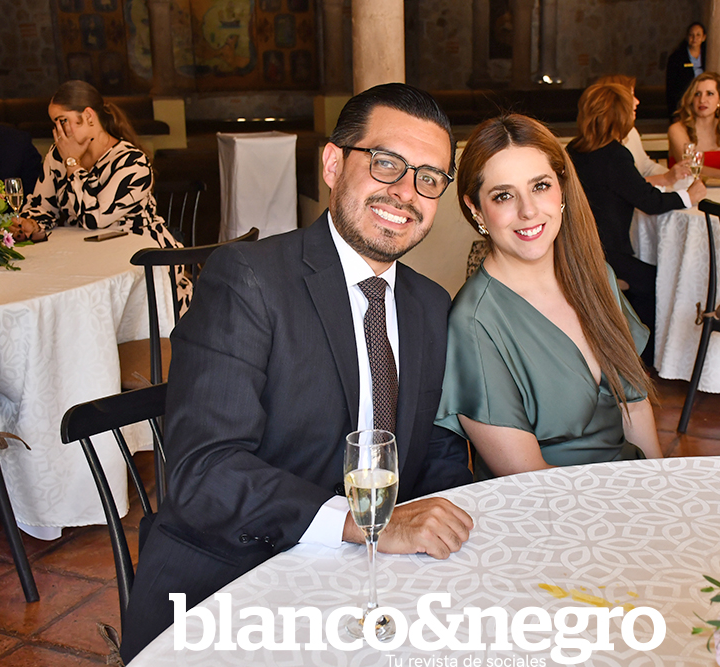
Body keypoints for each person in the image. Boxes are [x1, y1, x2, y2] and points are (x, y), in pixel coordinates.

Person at [118, 83, 475, 662]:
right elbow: (204, 471)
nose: (406, 192)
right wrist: (367, 525)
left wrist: (453, 524)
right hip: (234, 578)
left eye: (429, 177)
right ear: (333, 164)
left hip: (369, 581)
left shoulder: (429, 304)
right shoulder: (248, 279)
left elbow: (430, 444)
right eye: (386, 163)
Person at [434, 114, 661, 481]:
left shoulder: (596, 276)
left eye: (540, 186)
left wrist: (657, 489)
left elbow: (634, 406)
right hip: (548, 503)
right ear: (476, 209)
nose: (528, 210)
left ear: (562, 190)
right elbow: (525, 477)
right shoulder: (474, 324)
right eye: (503, 195)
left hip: (629, 488)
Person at [567, 83, 706, 357]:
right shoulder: (614, 155)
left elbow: (632, 189)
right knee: (658, 282)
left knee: (646, 278)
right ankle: (644, 356)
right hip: (605, 254)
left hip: (580, 249)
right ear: (619, 116)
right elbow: (650, 202)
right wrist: (689, 196)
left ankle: (625, 349)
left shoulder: (574, 150)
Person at [12, 80, 177, 248]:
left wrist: (72, 164)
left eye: (62, 121)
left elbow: (93, 219)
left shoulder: (132, 162)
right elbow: (42, 207)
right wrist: (31, 223)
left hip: (139, 251)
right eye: (54, 123)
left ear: (88, 116)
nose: (58, 131)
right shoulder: (58, 155)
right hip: (84, 250)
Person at [596, 74, 690, 190]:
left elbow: (647, 167)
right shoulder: (601, 145)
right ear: (615, 102)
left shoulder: (631, 132)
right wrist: (666, 178)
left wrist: (676, 176)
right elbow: (625, 185)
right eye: (631, 96)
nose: (637, 102)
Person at [667, 71, 720, 184]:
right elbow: (690, 168)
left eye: (709, 94)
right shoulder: (677, 129)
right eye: (697, 94)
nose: (702, 100)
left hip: (717, 191)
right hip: (681, 190)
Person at [665, 22, 706, 119]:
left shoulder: (708, 55)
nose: (694, 38)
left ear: (704, 37)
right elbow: (671, 87)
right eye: (691, 35)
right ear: (687, 37)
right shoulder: (676, 58)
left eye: (698, 35)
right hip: (685, 102)